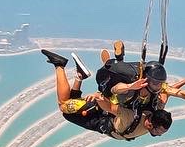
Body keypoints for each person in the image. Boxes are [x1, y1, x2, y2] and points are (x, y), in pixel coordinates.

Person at [41, 49, 173, 141]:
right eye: (159, 131)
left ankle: (80, 75)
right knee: (64, 105)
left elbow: (170, 94)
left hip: (103, 118)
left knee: (70, 112)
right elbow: (110, 106)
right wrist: (99, 97)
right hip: (100, 112)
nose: (159, 134)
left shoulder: (156, 110)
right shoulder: (132, 116)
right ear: (150, 124)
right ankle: (59, 64)